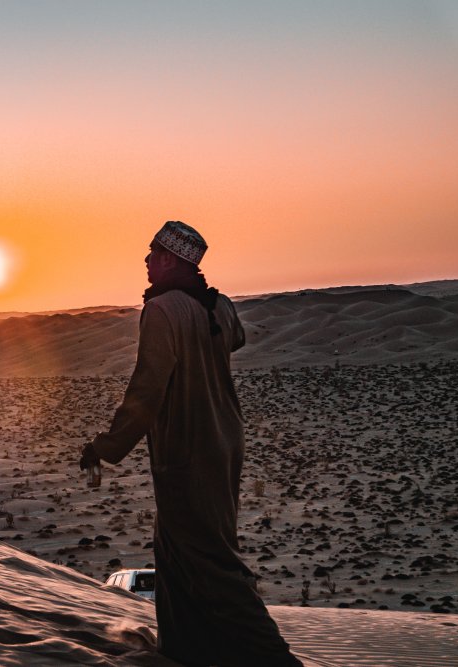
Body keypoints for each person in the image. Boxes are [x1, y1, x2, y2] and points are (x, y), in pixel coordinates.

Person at [80, 221, 302, 666]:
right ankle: (184, 650)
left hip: (187, 448)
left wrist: (105, 446)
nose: (145, 260)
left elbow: (147, 390)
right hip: (225, 439)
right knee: (173, 550)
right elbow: (234, 339)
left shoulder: (162, 309)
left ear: (170, 259)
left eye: (153, 253)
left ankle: (276, 658)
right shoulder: (219, 304)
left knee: (210, 558)